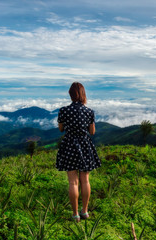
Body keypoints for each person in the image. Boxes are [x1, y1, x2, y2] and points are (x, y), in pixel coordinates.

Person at [56, 82, 101, 222]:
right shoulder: (89, 112)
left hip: (69, 145)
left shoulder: (63, 110)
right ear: (83, 94)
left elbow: (61, 129)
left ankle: (75, 214)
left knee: (73, 183)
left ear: (70, 94)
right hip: (85, 146)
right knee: (85, 180)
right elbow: (92, 132)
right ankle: (85, 211)